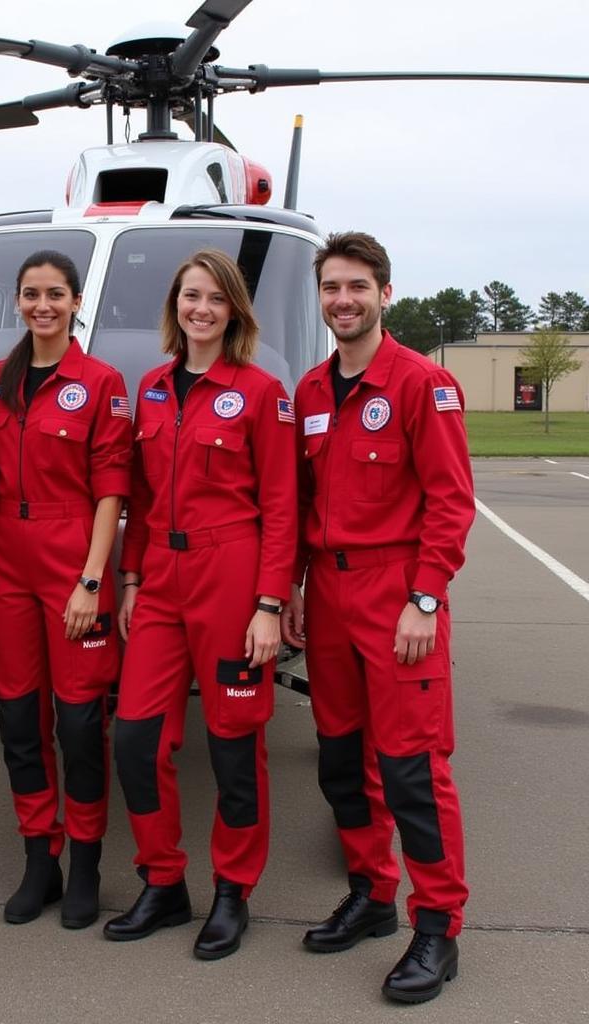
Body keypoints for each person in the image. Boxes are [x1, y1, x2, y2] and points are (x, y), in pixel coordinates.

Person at [281, 232, 475, 1004]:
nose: (344, 300)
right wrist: (294, 585)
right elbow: (300, 503)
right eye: (331, 287)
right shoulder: (311, 392)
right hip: (327, 594)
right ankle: (371, 893)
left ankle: (439, 927)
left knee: (412, 770)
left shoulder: (422, 383)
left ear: (384, 293)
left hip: (398, 595)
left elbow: (452, 502)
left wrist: (425, 597)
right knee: (341, 760)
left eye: (357, 286)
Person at [104, 249, 297, 961]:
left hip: (233, 574)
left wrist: (269, 603)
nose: (202, 309)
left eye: (216, 298)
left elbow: (282, 507)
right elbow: (141, 498)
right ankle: (162, 881)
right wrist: (130, 581)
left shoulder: (260, 392)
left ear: (234, 310)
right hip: (160, 578)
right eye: (191, 296)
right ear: (175, 305)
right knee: (134, 739)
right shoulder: (152, 389)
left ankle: (232, 892)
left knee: (234, 746)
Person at [0, 250, 132, 929]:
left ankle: (87, 861)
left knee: (77, 723)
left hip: (73, 558)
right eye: (31, 293)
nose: (43, 304)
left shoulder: (100, 382)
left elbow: (111, 490)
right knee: (18, 720)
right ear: (18, 301)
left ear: (76, 303)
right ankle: (38, 856)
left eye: (55, 294)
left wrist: (92, 581)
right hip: (5, 563)